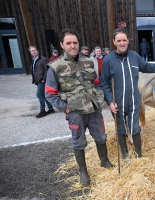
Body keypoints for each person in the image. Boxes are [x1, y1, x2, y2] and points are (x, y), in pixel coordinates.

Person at [45, 28, 114, 187]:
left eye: (75, 42)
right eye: (68, 43)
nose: (72, 46)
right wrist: (65, 108)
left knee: (101, 136)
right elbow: (50, 93)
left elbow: (96, 83)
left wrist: (100, 99)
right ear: (62, 45)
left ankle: (104, 161)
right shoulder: (55, 66)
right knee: (79, 141)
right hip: (75, 112)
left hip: (94, 109)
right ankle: (83, 171)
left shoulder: (88, 61)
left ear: (79, 44)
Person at [100, 28, 155, 160]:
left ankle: (138, 154)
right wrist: (109, 101)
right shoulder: (108, 60)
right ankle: (125, 154)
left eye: (124, 40)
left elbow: (147, 67)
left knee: (135, 127)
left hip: (134, 101)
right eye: (119, 40)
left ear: (128, 41)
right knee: (121, 129)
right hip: (117, 102)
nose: (122, 43)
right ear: (114, 42)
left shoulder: (134, 56)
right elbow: (104, 83)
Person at [28, 46, 54, 118]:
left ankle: (42, 111)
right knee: (43, 95)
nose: (33, 52)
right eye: (32, 51)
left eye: (34, 50)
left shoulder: (43, 59)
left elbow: (48, 69)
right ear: (30, 53)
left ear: (38, 51)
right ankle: (51, 109)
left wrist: (44, 78)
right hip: (37, 80)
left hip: (42, 80)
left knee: (39, 95)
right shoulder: (34, 60)